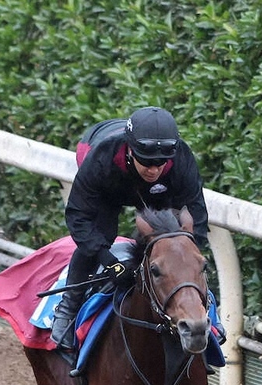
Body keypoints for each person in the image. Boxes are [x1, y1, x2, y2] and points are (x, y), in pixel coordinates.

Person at [51, 106, 211, 350]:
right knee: (102, 232)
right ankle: (68, 309)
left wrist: (186, 256)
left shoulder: (181, 162)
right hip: (104, 168)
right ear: (130, 149)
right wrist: (110, 262)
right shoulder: (102, 159)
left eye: (160, 163)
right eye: (147, 162)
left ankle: (207, 314)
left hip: (159, 189)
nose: (153, 170)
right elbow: (79, 217)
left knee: (178, 245)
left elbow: (197, 220)